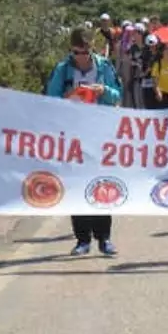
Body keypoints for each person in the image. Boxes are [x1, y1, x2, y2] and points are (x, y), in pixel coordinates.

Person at [45, 27, 123, 256]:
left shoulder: (104, 66)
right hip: (73, 135)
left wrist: (103, 90)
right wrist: (69, 96)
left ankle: (104, 238)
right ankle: (82, 239)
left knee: (101, 184)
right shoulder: (62, 69)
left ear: (92, 49)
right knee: (77, 186)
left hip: (100, 132)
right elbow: (51, 99)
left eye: (85, 52)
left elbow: (118, 94)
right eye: (77, 52)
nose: (81, 57)